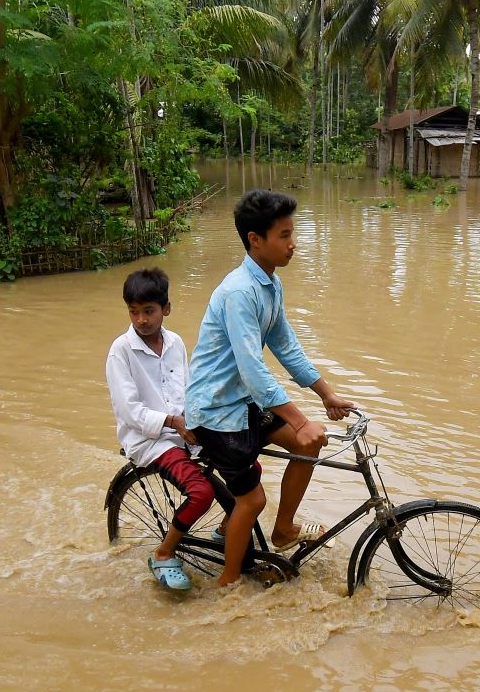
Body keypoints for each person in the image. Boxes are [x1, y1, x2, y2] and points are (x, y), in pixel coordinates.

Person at [186, 188, 356, 587]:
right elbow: (252, 369)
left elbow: (287, 348)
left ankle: (282, 531)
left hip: (242, 402)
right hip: (215, 411)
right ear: (255, 240)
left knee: (309, 444)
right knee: (252, 499)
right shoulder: (240, 292)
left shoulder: (269, 284)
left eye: (292, 233)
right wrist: (299, 419)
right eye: (284, 235)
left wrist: (326, 394)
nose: (292, 244)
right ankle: (228, 583)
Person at [107, 267, 215, 592]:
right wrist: (172, 422)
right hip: (148, 439)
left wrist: (199, 418)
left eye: (149, 311)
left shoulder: (176, 342)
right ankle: (163, 552)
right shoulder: (120, 351)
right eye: (134, 311)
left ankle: (227, 530)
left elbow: (187, 389)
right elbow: (130, 411)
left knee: (245, 465)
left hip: (183, 431)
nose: (141, 319)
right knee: (202, 493)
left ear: (166, 308)